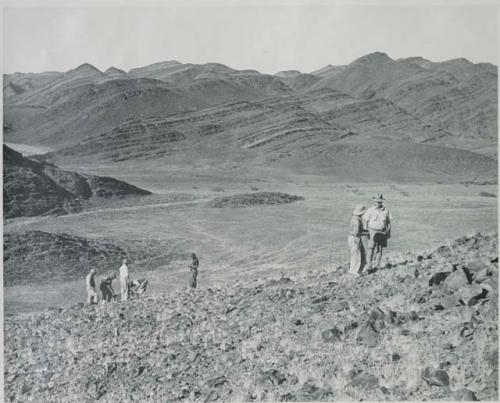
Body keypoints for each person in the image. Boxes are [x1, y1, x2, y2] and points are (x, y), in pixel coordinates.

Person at [363, 193, 392, 270]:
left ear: (382, 202)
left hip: (382, 231)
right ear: (374, 201)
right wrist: (366, 231)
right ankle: (369, 265)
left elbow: (389, 222)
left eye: (380, 201)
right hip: (372, 231)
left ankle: (376, 265)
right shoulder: (370, 210)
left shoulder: (386, 210)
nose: (378, 203)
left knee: (380, 249)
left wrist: (388, 232)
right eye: (377, 201)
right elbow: (365, 220)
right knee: (371, 248)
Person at [348, 204, 368, 275]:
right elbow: (357, 233)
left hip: (353, 238)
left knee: (358, 254)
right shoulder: (356, 220)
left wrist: (365, 231)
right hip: (355, 239)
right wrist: (366, 234)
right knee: (356, 255)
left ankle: (358, 270)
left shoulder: (355, 218)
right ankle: (355, 271)